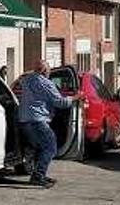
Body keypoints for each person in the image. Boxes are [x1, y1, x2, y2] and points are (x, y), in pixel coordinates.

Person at [17, 59, 83, 188]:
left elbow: (19, 79)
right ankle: (38, 176)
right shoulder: (46, 83)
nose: (49, 73)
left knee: (40, 148)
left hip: (24, 121)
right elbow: (60, 103)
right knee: (50, 147)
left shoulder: (26, 80)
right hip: (38, 121)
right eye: (48, 71)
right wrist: (76, 97)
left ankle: (38, 173)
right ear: (44, 71)